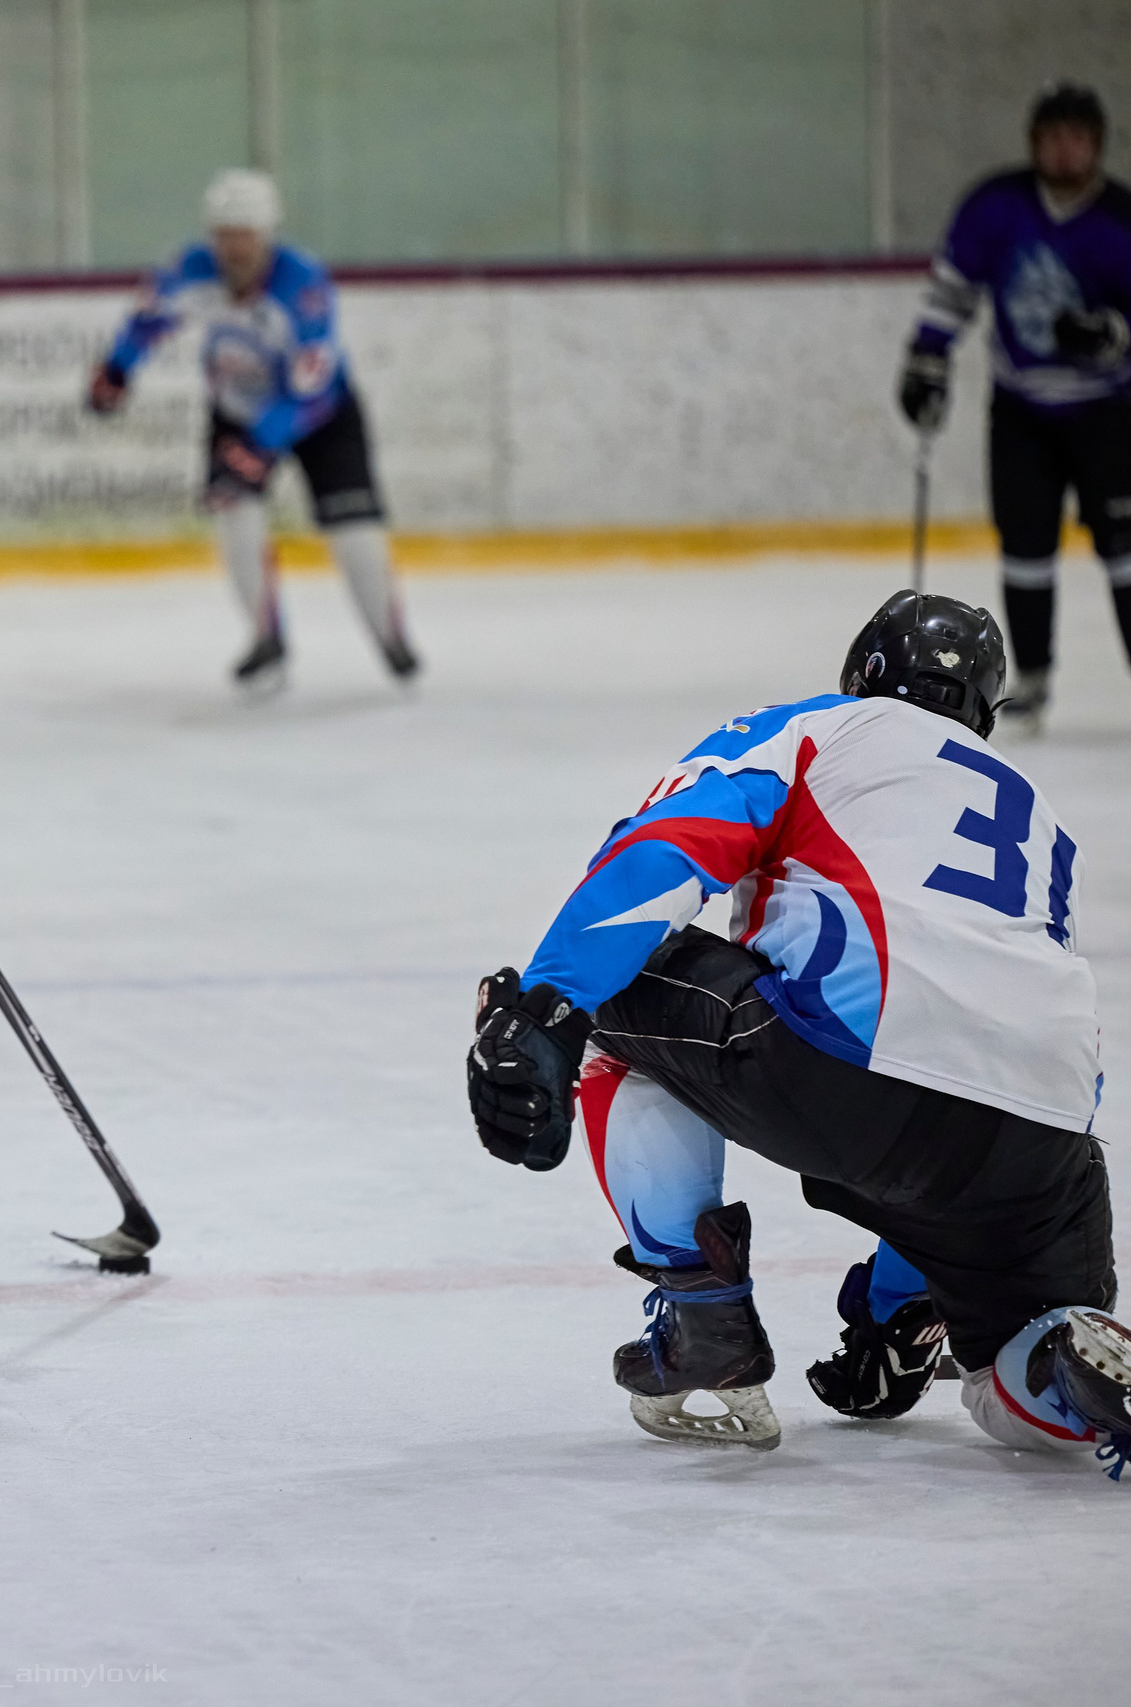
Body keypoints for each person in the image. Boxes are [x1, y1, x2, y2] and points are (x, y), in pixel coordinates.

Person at [465, 590, 1130, 1477]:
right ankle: (1056, 1358)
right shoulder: (1038, 817)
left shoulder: (824, 727)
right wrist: (892, 1313)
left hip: (846, 1072)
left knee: (602, 998)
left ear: (861, 675)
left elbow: (669, 844)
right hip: (1047, 1139)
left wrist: (546, 1005)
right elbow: (967, 1049)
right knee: (1008, 1364)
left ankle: (706, 1319)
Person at [88, 167, 418, 690]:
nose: (232, 249)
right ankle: (267, 638)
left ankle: (389, 637)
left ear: (267, 235)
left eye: (244, 236)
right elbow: (148, 320)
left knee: (355, 531)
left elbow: (312, 386)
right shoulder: (191, 269)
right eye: (223, 235)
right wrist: (117, 370)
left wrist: (261, 444)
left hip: (321, 416)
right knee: (235, 511)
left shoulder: (302, 285)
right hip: (237, 410)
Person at [899, 80, 1131, 735]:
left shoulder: (1120, 219)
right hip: (1022, 413)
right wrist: (927, 359)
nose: (1065, 151)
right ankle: (1030, 684)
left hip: (1107, 414)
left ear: (1097, 146)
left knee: (1125, 550)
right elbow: (952, 292)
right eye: (1053, 138)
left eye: (1078, 139)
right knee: (1025, 548)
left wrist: (1112, 333)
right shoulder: (995, 207)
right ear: (1035, 143)